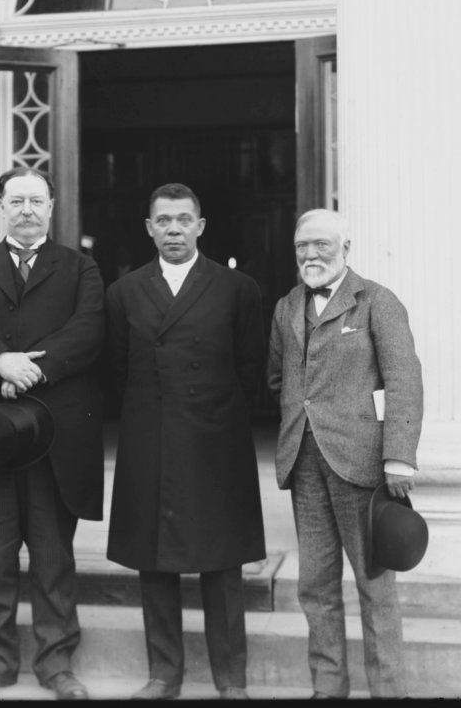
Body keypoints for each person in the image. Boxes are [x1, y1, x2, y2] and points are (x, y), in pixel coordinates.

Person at [0, 167, 104, 701]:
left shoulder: (82, 269)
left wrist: (33, 369)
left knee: (54, 556)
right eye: (17, 201)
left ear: (52, 207)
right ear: (0, 208)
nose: (27, 210)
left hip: (55, 438)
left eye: (37, 201)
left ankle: (57, 666)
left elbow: (89, 329)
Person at [104, 182, 266, 701]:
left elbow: (250, 368)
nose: (174, 229)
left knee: (223, 564)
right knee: (155, 561)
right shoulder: (124, 292)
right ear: (149, 228)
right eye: (163, 221)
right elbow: (115, 370)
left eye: (183, 219)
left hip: (217, 443)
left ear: (201, 226)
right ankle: (164, 674)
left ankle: (230, 680)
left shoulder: (237, 289)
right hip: (149, 440)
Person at [266, 208, 423, 699]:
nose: (311, 255)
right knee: (314, 586)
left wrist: (397, 455)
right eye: (302, 247)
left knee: (375, 588)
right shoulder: (286, 306)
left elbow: (404, 381)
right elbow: (279, 379)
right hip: (304, 463)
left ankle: (388, 692)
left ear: (345, 249)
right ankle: (328, 688)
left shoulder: (377, 301)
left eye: (322, 245)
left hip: (361, 465)